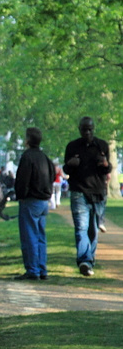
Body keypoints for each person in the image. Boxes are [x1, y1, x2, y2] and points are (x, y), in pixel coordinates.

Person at [63, 116, 112, 277]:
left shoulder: (102, 146)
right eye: (84, 129)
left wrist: (105, 164)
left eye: (90, 129)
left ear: (94, 129)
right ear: (79, 129)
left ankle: (90, 258)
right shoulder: (72, 146)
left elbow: (107, 170)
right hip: (79, 191)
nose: (87, 132)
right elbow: (66, 169)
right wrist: (70, 165)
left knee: (93, 230)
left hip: (98, 193)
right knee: (81, 228)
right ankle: (85, 260)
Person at [13, 128, 54, 280]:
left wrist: (21, 195)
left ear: (28, 140)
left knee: (29, 236)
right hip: (43, 200)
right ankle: (42, 268)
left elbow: (22, 180)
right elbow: (51, 175)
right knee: (40, 236)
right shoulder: (44, 157)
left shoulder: (27, 157)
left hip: (30, 200)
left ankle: (32, 270)